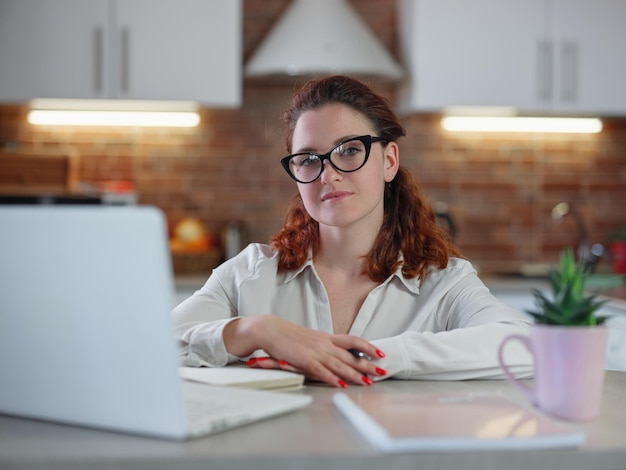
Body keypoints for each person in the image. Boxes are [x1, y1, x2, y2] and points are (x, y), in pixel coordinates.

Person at [172, 75, 533, 388]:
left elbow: (524, 345)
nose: (328, 174)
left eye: (349, 150)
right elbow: (149, 345)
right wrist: (256, 331)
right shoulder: (248, 274)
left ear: (389, 160)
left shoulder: (444, 283)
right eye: (309, 159)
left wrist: (376, 358)